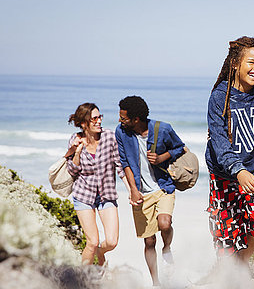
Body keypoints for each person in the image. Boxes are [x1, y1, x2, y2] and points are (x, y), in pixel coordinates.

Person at [205, 36, 254, 263]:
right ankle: (227, 273)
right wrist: (237, 170)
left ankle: (240, 264)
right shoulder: (220, 97)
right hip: (223, 175)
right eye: (251, 62)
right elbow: (218, 141)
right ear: (235, 64)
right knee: (225, 237)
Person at [115, 95, 186, 286]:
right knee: (149, 242)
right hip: (141, 191)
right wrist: (133, 190)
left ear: (136, 119)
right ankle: (156, 283)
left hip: (163, 187)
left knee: (164, 224)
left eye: (123, 118)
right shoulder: (121, 132)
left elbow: (180, 148)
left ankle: (168, 248)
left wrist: (162, 157)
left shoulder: (162, 129)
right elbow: (125, 163)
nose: (120, 121)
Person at [65, 102, 129, 266]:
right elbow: (72, 171)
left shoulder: (109, 137)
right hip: (83, 196)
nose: (99, 121)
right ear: (84, 123)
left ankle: (100, 254)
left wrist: (131, 190)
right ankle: (82, 280)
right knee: (92, 242)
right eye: (95, 118)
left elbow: (119, 166)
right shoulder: (75, 139)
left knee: (112, 241)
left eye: (100, 117)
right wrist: (77, 151)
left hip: (106, 195)